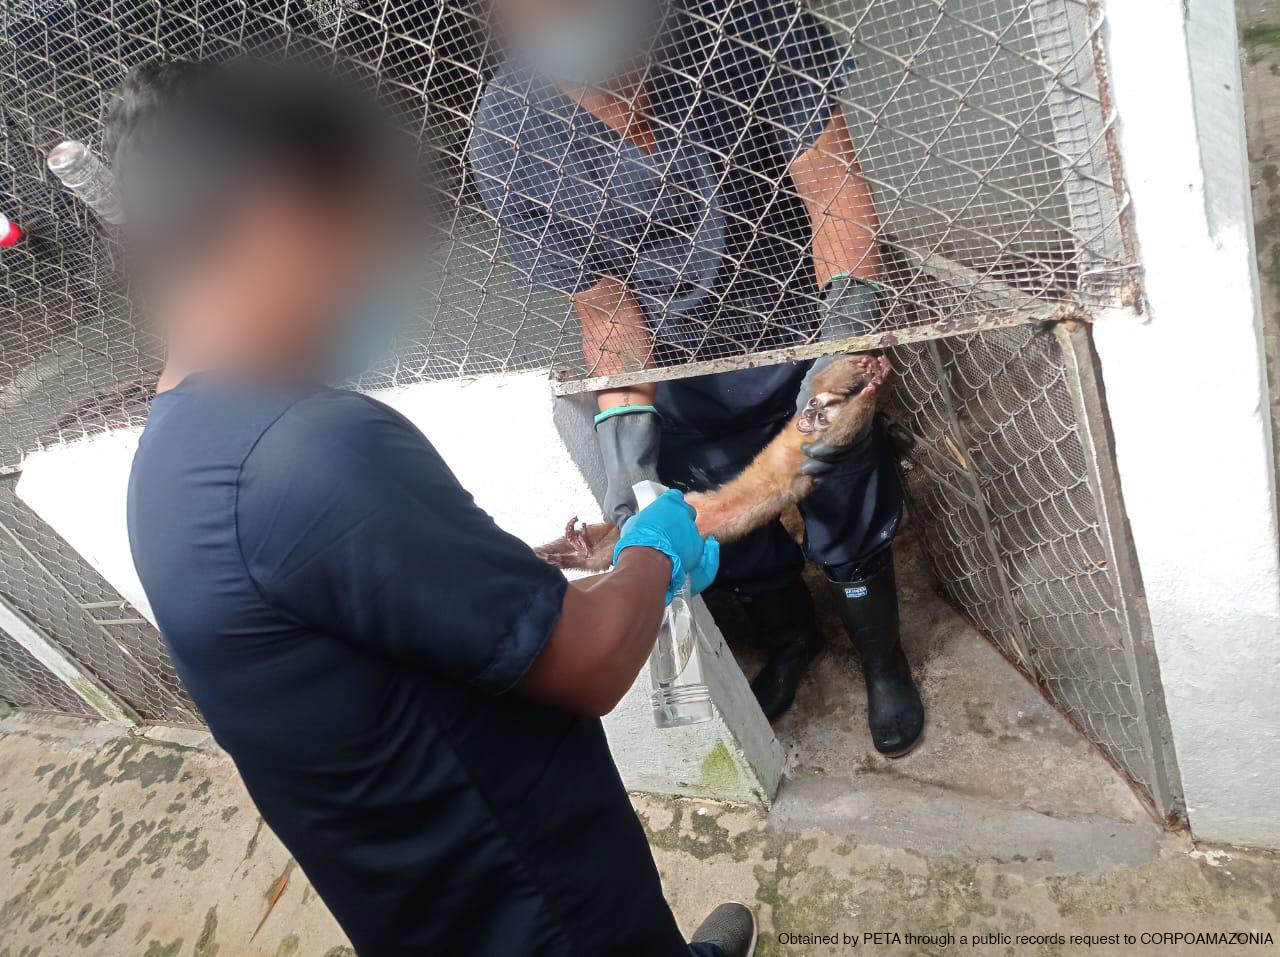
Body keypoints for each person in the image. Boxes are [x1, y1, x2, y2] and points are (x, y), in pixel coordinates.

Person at [115, 58, 755, 957]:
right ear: (287, 214)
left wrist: (511, 568)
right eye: (366, 233)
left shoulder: (174, 454)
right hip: (540, 906)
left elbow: (364, 625)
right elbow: (591, 660)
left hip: (432, 911)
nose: (376, 268)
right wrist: (656, 546)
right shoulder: (313, 450)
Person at [470, 0, 924, 753]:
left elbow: (833, 190)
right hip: (682, 363)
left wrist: (843, 346)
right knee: (721, 526)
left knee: (846, 490)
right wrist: (629, 472)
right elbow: (607, 312)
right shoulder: (509, 133)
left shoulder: (748, 23)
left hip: (802, 317)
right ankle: (791, 641)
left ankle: (883, 659)